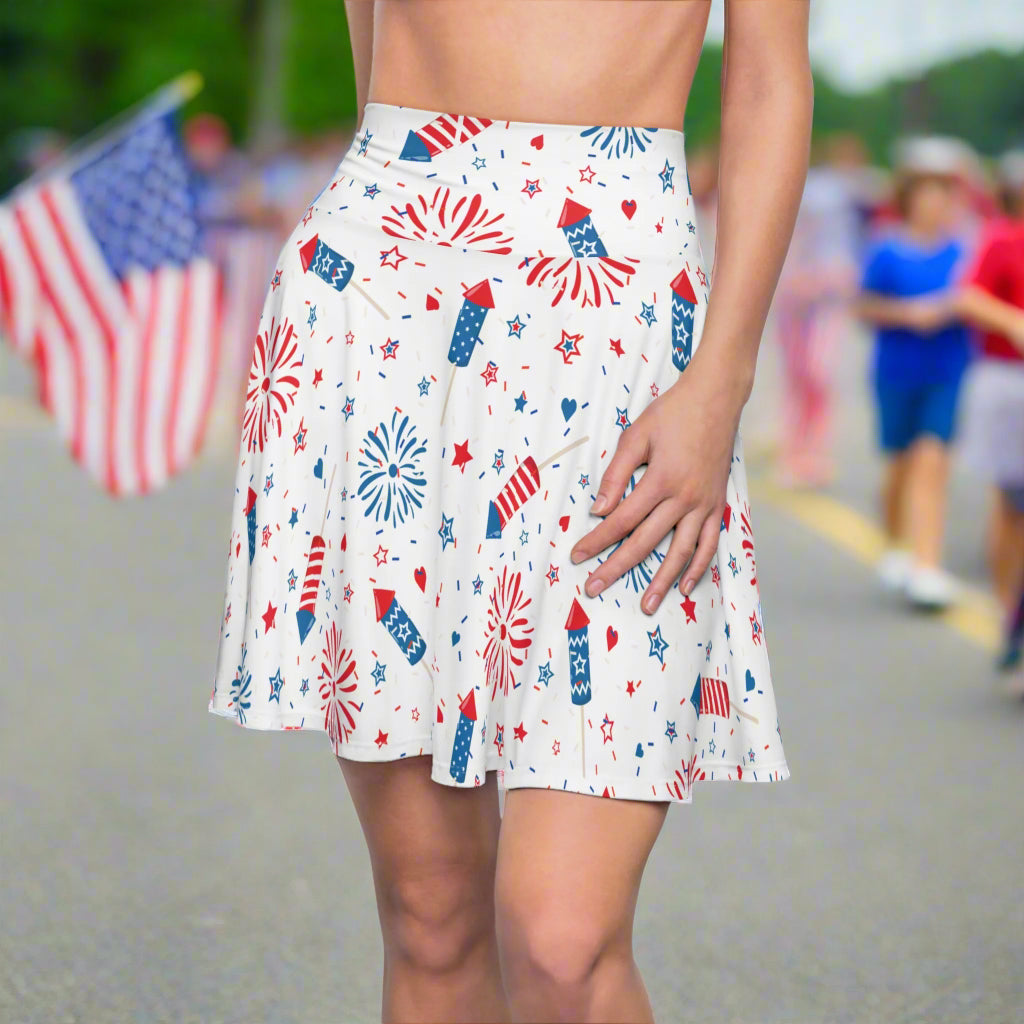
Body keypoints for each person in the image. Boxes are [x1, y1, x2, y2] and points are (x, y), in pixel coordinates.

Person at [209, 3, 809, 1020]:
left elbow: (766, 82)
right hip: (384, 295)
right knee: (432, 916)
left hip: (620, 319)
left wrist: (723, 377)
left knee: (562, 940)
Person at [856, 137, 975, 610]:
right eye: (927, 195)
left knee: (932, 462)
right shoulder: (887, 250)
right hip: (896, 372)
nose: (935, 204)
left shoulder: (963, 252)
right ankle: (895, 544)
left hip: (946, 372)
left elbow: (978, 300)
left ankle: (927, 565)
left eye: (942, 195)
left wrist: (951, 308)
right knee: (900, 468)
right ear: (909, 200)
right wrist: (909, 314)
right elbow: (864, 306)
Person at [954, 150, 1024, 649]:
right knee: (1011, 501)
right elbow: (969, 296)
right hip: (1007, 380)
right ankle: (1007, 615)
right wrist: (1013, 321)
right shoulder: (1002, 238)